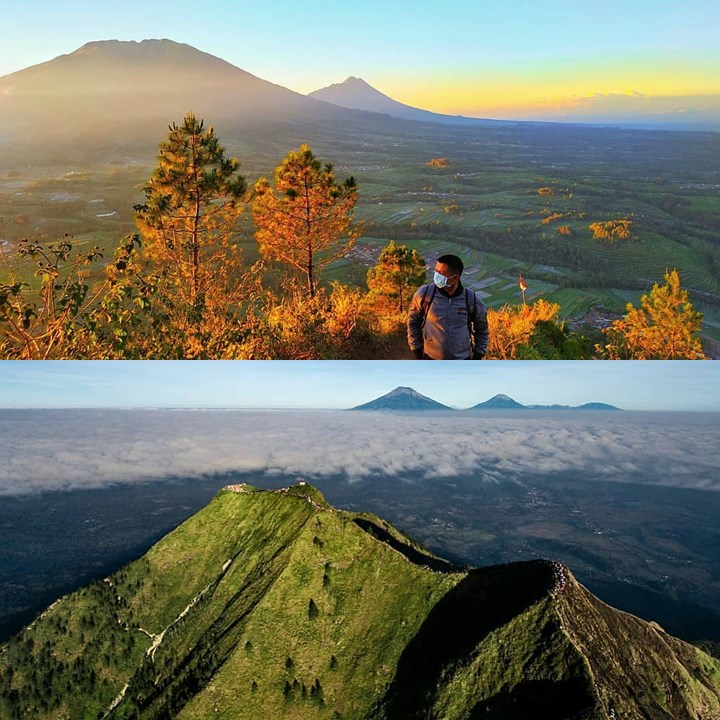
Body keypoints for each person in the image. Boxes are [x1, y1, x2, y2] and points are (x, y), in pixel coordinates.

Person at [407, 254, 489, 360]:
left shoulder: (471, 299)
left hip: (462, 361)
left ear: (455, 278)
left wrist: (477, 356)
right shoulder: (425, 295)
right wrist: (417, 352)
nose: (436, 275)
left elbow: (482, 329)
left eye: (440, 273)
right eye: (436, 271)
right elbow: (413, 323)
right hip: (431, 359)